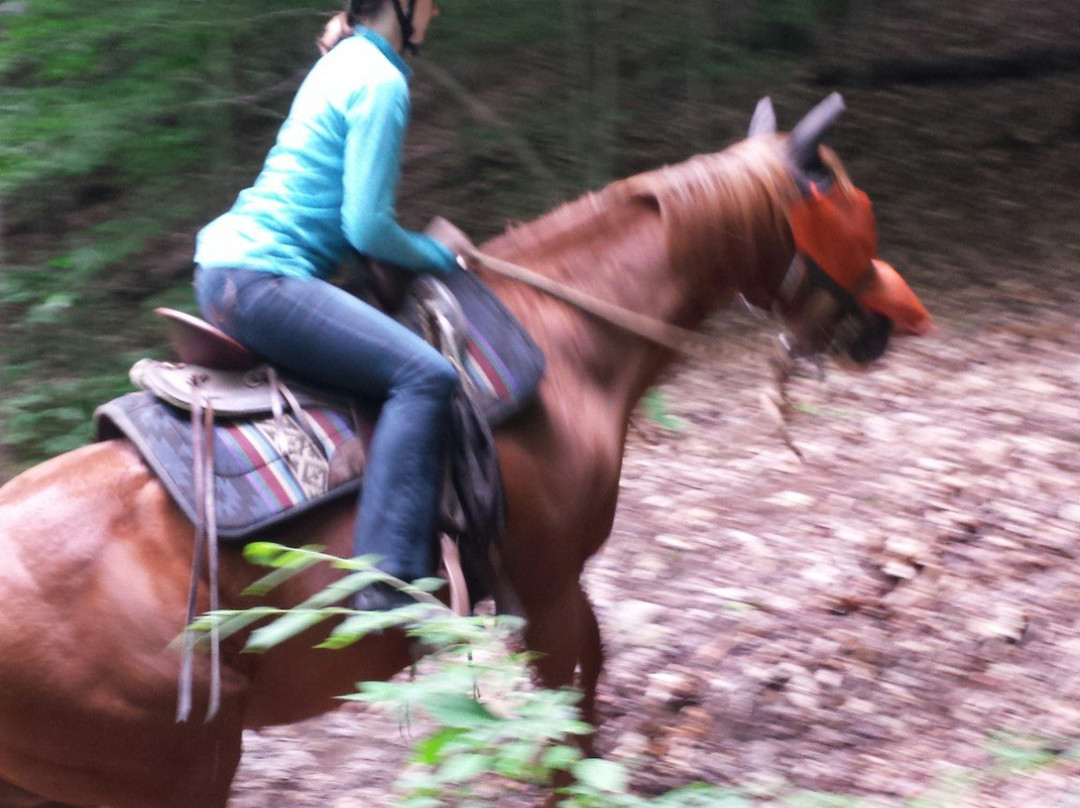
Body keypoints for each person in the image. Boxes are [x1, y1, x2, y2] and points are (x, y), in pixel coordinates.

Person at [193, 0, 472, 611]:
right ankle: (385, 584)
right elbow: (367, 227)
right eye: (430, 2)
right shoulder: (381, 80)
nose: (438, 10)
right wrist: (438, 253)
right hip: (265, 277)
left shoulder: (342, 59)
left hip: (224, 270)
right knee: (424, 375)